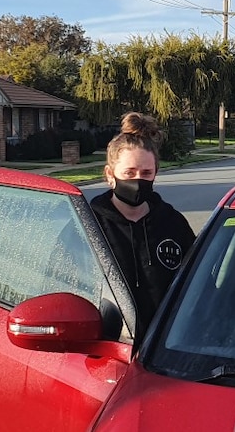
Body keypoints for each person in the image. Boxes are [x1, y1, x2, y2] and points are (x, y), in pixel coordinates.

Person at [91, 111, 195, 338]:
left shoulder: (173, 223)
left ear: (156, 173)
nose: (138, 180)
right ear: (110, 174)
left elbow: (196, 286)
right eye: (129, 172)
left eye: (146, 173)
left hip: (166, 348)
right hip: (108, 349)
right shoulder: (89, 225)